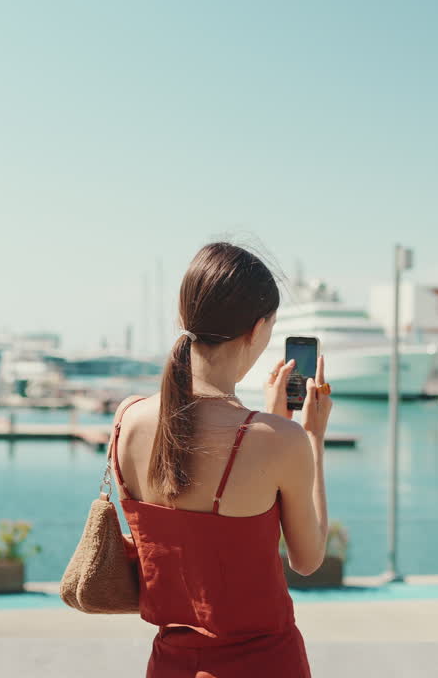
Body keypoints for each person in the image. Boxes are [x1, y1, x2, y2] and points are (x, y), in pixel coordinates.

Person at [111, 242, 332, 677]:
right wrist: (311, 437)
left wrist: (272, 424)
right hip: (266, 664)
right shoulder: (281, 441)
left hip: (171, 665)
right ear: (257, 329)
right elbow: (307, 559)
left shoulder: (127, 419)